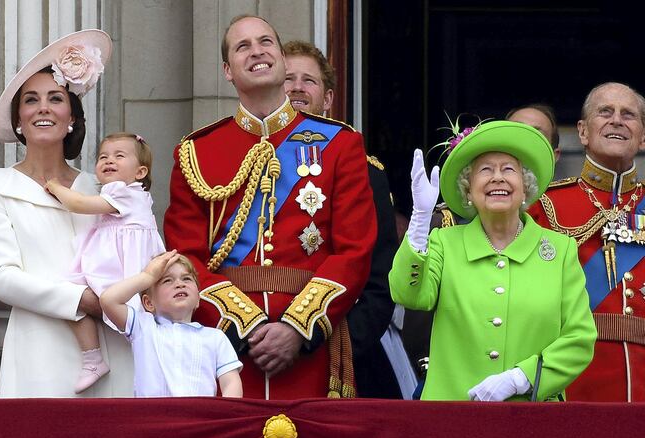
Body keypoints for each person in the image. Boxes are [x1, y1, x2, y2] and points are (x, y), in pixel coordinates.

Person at [163, 15, 376, 400]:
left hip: (310, 345)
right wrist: (243, 326)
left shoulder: (340, 144)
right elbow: (186, 258)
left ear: (280, 56)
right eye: (242, 46)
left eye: (265, 42)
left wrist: (297, 327)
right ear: (228, 70)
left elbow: (354, 251)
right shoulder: (196, 151)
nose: (257, 51)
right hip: (224, 347)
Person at [0, 29, 134, 398]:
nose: (43, 107)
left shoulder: (103, 188)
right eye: (31, 100)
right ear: (19, 121)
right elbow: (3, 278)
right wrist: (83, 301)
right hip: (39, 352)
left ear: (71, 117)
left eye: (55, 98)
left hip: (116, 347)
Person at [389, 120, 596, 401]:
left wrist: (521, 378)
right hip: (451, 418)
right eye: (485, 170)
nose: (497, 177)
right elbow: (408, 294)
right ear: (468, 190)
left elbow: (579, 339)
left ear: (525, 188)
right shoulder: (444, 243)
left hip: (531, 417)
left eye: (509, 169)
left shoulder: (560, 252)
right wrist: (420, 222)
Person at [283, 40, 412, 398]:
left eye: (308, 80)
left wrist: (332, 349)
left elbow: (379, 283)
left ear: (327, 98)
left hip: (345, 355)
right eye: (287, 78)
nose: (296, 87)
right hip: (260, 350)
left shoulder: (365, 172)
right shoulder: (245, 167)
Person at [527, 82, 645, 402]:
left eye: (629, 114)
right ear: (582, 131)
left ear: (643, 135)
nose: (617, 120)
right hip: (572, 379)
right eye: (605, 112)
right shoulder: (544, 206)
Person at [44, 132, 164, 393]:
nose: (109, 160)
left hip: (121, 268)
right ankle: (92, 358)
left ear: (140, 172)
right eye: (103, 157)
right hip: (112, 262)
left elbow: (79, 203)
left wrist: (54, 186)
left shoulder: (126, 193)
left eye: (119, 156)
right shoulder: (126, 194)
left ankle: (93, 358)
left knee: (73, 297)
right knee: (71, 298)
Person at [100, 250, 243, 397]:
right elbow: (108, 300)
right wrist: (147, 276)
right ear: (149, 303)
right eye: (167, 280)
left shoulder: (215, 337)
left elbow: (231, 383)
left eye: (187, 279)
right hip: (154, 417)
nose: (180, 284)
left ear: (198, 299)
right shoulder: (143, 328)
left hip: (198, 417)